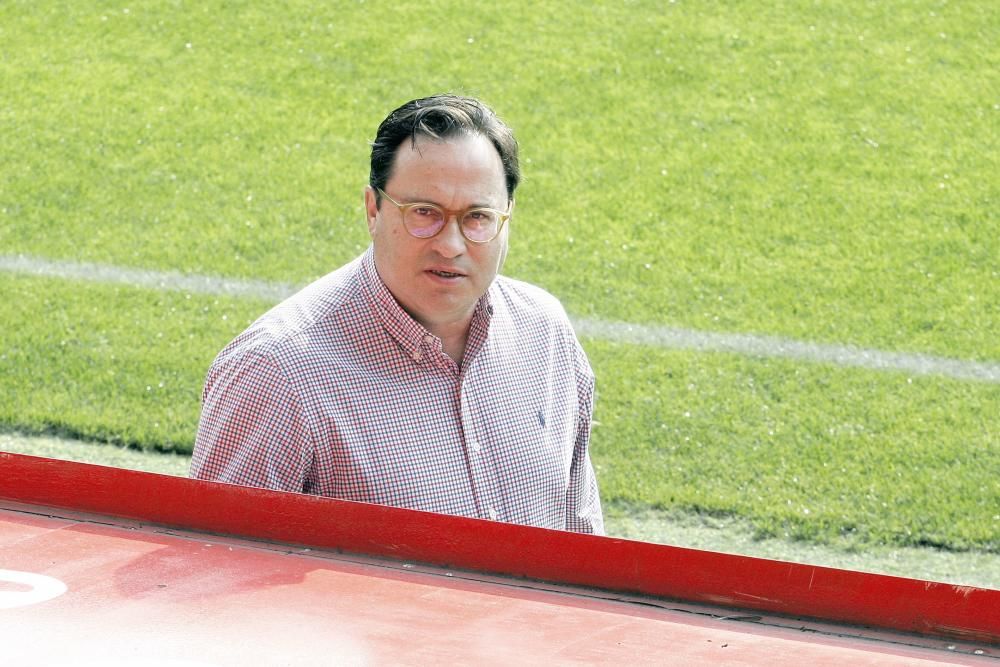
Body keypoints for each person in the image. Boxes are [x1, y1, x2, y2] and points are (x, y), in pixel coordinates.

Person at [190, 94, 603, 534]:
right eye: (424, 213)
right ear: (373, 209)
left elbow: (580, 535)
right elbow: (216, 568)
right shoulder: (275, 374)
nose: (451, 245)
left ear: (507, 218)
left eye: (478, 217)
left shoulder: (546, 333)